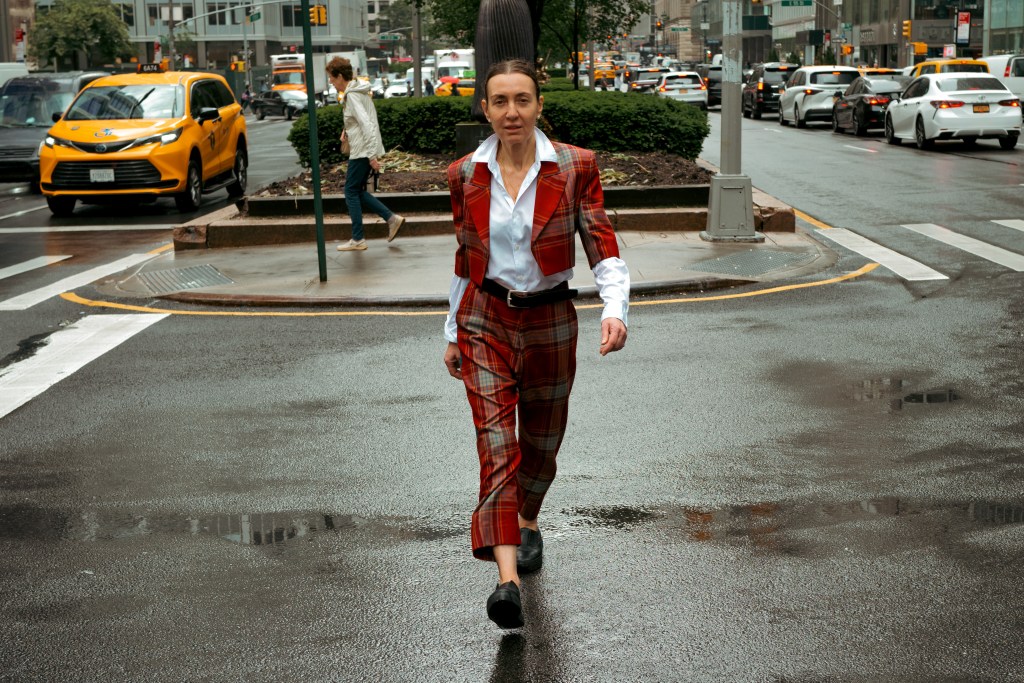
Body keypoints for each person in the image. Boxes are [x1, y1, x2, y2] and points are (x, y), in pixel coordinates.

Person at [443, 59, 629, 629]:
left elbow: (601, 242)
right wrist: (452, 330)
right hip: (484, 317)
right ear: (485, 109)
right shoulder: (464, 174)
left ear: (539, 105)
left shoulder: (575, 167)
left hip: (550, 318)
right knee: (497, 447)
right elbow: (466, 259)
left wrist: (614, 309)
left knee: (541, 445)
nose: (511, 112)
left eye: (522, 100)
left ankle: (527, 520)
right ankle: (506, 582)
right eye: (500, 101)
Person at [324, 57, 405, 251]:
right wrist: (348, 130)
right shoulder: (357, 91)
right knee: (356, 191)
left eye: (332, 79)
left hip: (361, 152)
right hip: (363, 149)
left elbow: (366, 124)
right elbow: (362, 121)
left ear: (341, 76)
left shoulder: (352, 95)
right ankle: (392, 219)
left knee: (350, 191)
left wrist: (371, 156)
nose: (331, 82)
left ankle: (359, 238)